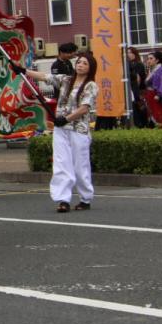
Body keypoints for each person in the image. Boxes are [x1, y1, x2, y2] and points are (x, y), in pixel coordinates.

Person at [14, 52, 98, 213]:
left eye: (84, 63)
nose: (80, 65)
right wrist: (23, 70)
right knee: (61, 163)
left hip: (78, 129)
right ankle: (63, 199)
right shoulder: (66, 80)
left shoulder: (91, 85)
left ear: (90, 68)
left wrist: (67, 118)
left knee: (80, 165)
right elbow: (44, 77)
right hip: (61, 129)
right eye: (79, 62)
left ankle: (85, 198)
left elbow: (85, 107)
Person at [126, 46, 150, 128]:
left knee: (140, 107)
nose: (128, 54)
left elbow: (138, 78)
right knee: (135, 108)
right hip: (133, 90)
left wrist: (137, 90)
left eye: (130, 52)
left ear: (135, 54)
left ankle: (143, 123)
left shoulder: (138, 64)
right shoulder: (128, 64)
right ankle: (139, 123)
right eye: (127, 53)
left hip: (138, 90)